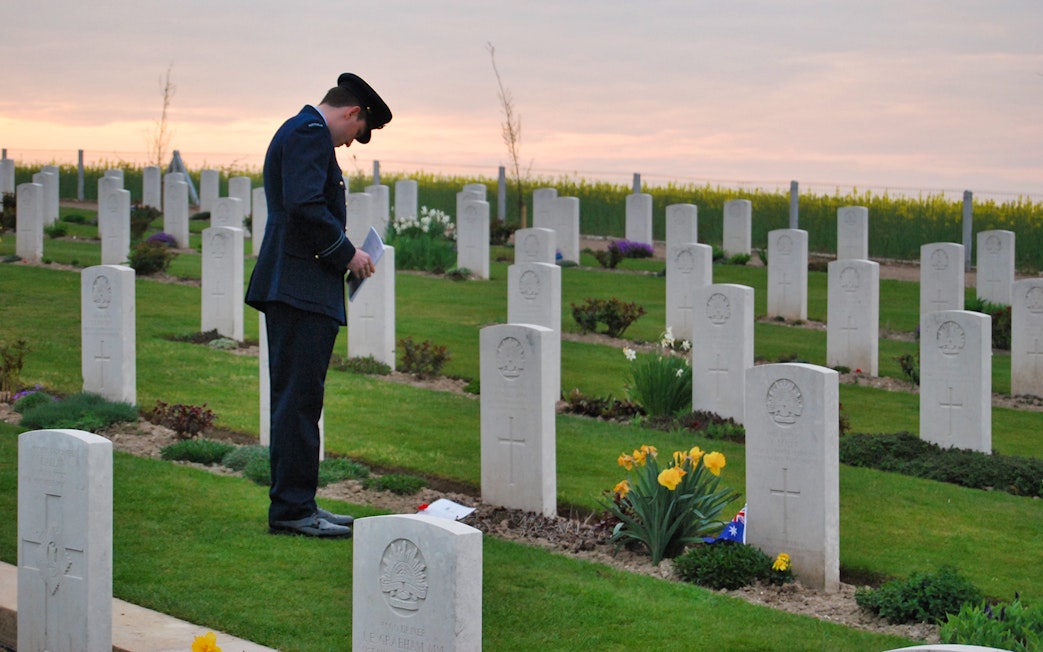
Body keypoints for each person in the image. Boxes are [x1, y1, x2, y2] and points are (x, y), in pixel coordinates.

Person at [245, 73, 392, 538]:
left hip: (299, 285)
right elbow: (307, 206)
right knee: (298, 403)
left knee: (302, 402)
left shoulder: (301, 131)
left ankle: (299, 502)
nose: (351, 144)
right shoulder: (309, 134)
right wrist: (349, 254)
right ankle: (291, 510)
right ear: (352, 113)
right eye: (357, 134)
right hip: (299, 287)